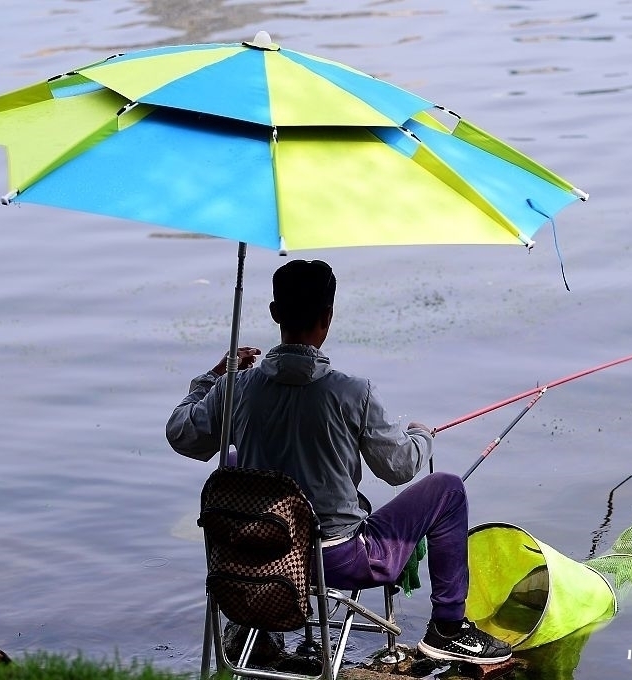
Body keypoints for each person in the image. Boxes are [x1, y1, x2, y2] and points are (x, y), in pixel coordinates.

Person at [166, 259, 511, 665]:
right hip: (337, 560)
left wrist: (214, 376)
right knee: (449, 489)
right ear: (328, 317)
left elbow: (182, 435)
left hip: (260, 553)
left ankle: (248, 626)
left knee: (238, 460)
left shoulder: (236, 387)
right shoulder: (353, 392)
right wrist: (423, 437)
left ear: (275, 313)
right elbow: (398, 468)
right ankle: (448, 629)